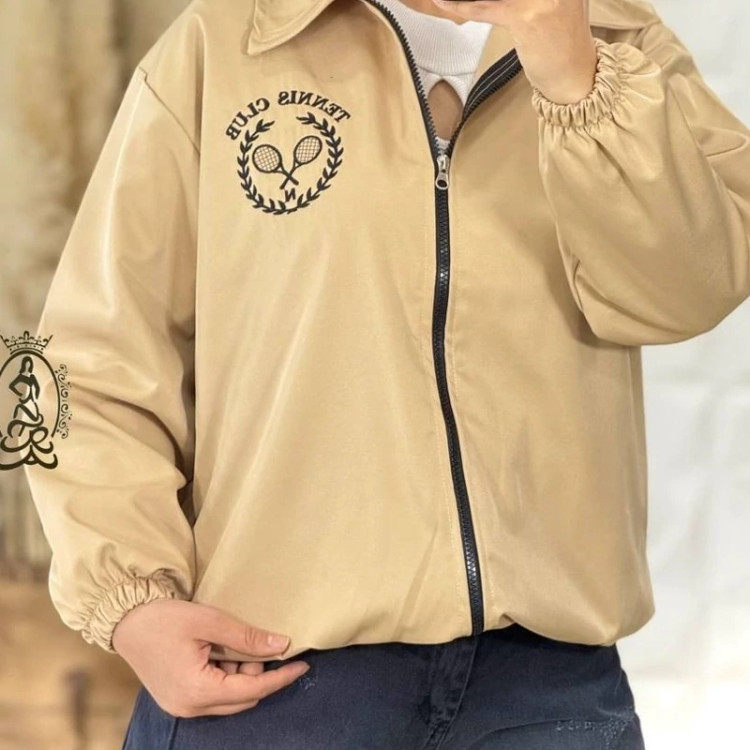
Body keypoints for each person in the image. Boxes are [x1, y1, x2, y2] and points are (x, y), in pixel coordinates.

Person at [23, 0, 750, 747]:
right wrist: (130, 602)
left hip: (549, 687)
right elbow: (84, 355)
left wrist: (575, 76)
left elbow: (688, 292)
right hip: (272, 680)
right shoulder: (226, 43)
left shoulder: (623, 42)